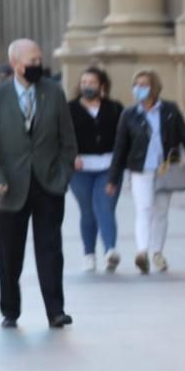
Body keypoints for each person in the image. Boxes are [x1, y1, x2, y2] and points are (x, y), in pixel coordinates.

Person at [0, 39, 77, 329]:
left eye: (39, 59)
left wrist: (63, 175)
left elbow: (68, 142)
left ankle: (55, 310)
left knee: (50, 250)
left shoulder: (53, 94)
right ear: (16, 64)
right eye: (32, 60)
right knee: (9, 254)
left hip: (48, 185)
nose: (38, 65)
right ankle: (10, 308)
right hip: (10, 189)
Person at [108, 70, 185, 275]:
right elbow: (120, 147)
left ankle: (157, 253)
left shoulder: (169, 110)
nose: (139, 88)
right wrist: (113, 178)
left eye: (144, 84)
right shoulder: (129, 114)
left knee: (161, 212)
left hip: (165, 169)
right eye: (136, 84)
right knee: (143, 209)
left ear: (154, 87)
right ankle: (142, 252)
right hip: (140, 169)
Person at [68, 67, 124, 273]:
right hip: (80, 169)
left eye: (91, 82)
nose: (87, 86)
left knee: (105, 206)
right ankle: (88, 254)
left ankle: (110, 250)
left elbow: (123, 137)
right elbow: (62, 136)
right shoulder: (70, 109)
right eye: (84, 82)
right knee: (88, 211)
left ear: (102, 85)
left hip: (108, 167)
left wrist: (122, 161)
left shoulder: (115, 108)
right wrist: (71, 156)